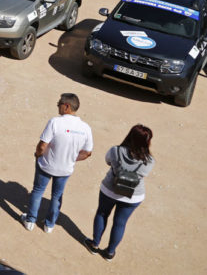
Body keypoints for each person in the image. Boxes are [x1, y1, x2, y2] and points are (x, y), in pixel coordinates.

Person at [20, 93, 93, 233]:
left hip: (47, 165)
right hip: (65, 169)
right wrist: (71, 158)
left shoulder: (55, 122)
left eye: (59, 104)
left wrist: (37, 155)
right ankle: (49, 225)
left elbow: (42, 146)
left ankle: (30, 221)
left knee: (38, 191)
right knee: (57, 196)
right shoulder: (86, 128)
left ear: (66, 106)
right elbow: (87, 153)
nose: (57, 106)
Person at [85, 125, 154, 261]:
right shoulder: (149, 161)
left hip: (109, 189)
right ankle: (110, 253)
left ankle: (94, 245)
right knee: (120, 223)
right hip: (134, 196)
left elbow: (108, 161)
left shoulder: (116, 151)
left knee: (102, 214)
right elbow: (143, 174)